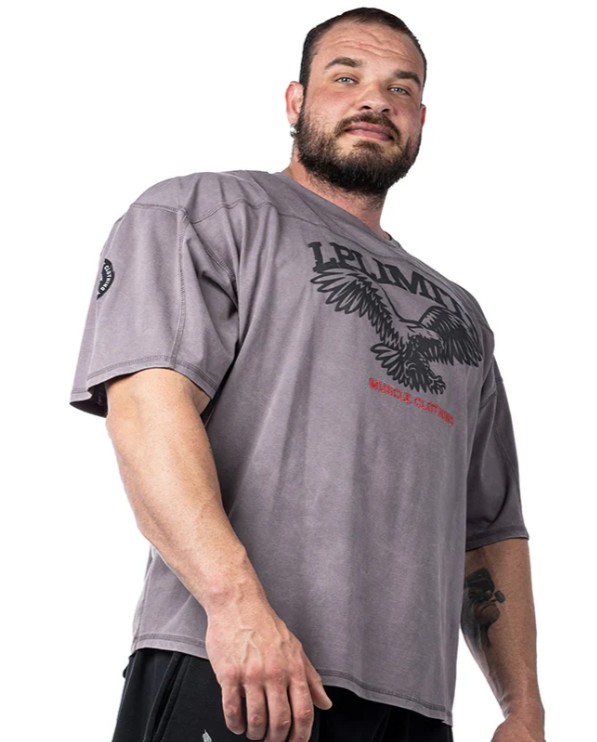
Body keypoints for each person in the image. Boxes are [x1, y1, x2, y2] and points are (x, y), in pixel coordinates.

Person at [71, 7, 545, 742]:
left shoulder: (461, 314)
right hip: (239, 665)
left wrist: (523, 708)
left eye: (400, 88)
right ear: (294, 101)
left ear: (420, 119)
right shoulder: (204, 211)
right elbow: (147, 412)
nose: (374, 100)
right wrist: (235, 608)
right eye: (345, 77)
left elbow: (488, 530)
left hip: (415, 710)